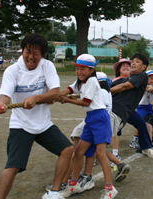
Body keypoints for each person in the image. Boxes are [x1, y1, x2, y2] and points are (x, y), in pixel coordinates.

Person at [0, 33, 74, 199]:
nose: (30, 57)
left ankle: (53, 192)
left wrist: (37, 98)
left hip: (43, 124)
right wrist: (2, 104)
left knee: (67, 150)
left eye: (35, 53)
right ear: (22, 51)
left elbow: (54, 92)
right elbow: (5, 96)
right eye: (27, 51)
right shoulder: (12, 71)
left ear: (42, 55)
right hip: (21, 124)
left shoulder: (47, 66)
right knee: (13, 165)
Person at [58, 54, 118, 199]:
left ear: (91, 70)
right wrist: (49, 97)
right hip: (91, 119)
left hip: (100, 118)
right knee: (79, 152)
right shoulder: (81, 81)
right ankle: (73, 185)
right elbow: (67, 90)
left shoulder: (91, 81)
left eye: (83, 69)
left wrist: (67, 101)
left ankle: (110, 189)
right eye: (77, 68)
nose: (79, 72)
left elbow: (86, 102)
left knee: (100, 153)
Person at [110, 53, 153, 158]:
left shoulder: (142, 76)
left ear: (144, 67)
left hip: (127, 110)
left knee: (141, 123)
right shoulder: (120, 79)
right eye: (133, 61)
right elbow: (118, 85)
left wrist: (108, 90)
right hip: (116, 109)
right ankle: (99, 153)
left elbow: (125, 86)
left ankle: (146, 147)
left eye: (137, 61)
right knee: (107, 131)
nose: (133, 63)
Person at [110, 58, 131, 165]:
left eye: (128, 66)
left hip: (126, 110)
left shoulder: (134, 80)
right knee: (114, 131)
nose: (126, 67)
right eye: (123, 66)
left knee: (115, 131)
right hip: (115, 110)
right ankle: (115, 153)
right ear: (119, 70)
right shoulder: (115, 81)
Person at [130, 70, 153, 148]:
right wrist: (150, 88)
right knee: (140, 122)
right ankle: (134, 140)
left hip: (149, 107)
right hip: (141, 107)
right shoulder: (143, 86)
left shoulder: (152, 86)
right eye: (151, 79)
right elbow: (145, 89)